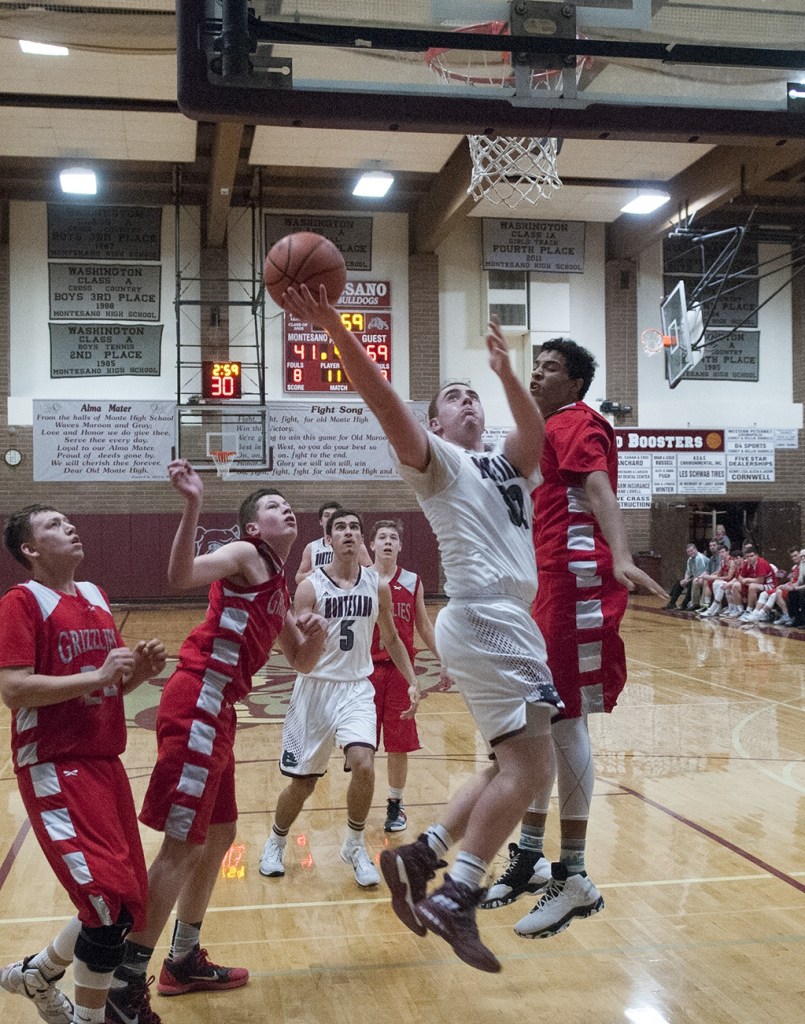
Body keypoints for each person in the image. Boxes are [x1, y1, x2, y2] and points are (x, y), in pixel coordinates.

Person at [282, 283, 562, 974]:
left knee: (507, 764)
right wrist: (333, 328)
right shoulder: (438, 463)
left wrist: (502, 374)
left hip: (505, 621)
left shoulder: (506, 469)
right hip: (486, 614)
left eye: (473, 397)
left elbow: (534, 437)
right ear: (435, 422)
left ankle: (423, 853)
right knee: (534, 765)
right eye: (453, 398)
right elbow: (381, 399)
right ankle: (457, 891)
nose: (467, 402)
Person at [105, 463, 327, 1024]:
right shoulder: (242, 557)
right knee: (182, 844)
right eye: (273, 505)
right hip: (199, 700)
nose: (285, 508)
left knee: (222, 831)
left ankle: (183, 958)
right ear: (254, 528)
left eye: (286, 503)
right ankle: (125, 985)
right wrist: (192, 505)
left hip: (222, 709)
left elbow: (299, 660)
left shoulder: (275, 581)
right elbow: (179, 574)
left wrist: (317, 638)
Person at [480, 339, 667, 940]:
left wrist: (622, 556)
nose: (538, 372)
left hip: (577, 577)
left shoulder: (580, 421)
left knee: (565, 722)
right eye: (535, 363)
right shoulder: (543, 428)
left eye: (552, 367)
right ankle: (533, 855)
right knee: (539, 719)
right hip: (546, 581)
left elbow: (598, 491)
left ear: (576, 383)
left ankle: (576, 876)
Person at [0, 504, 166, 1024]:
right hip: (55, 764)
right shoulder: (21, 602)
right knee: (105, 910)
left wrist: (137, 672)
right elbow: (13, 688)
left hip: (105, 762)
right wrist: (97, 677)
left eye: (69, 520)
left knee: (122, 902)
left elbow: (108, 688)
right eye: (53, 525)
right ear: (30, 549)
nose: (70, 526)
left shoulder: (94, 595)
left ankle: (40, 973)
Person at [258, 509, 419, 885]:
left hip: (355, 688)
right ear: (327, 541)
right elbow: (295, 650)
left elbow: (392, 638)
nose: (348, 533)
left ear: (362, 541)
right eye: (340, 528)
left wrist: (412, 679)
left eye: (354, 529)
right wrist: (309, 631)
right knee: (303, 784)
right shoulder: (310, 587)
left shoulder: (376, 585)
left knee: (364, 764)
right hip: (315, 689)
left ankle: (355, 843)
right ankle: (275, 840)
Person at [369, 518, 449, 832]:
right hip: (366, 670)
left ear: (400, 546)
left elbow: (424, 626)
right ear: (372, 544)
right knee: (362, 744)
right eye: (381, 537)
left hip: (401, 672)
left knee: (398, 744)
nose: (387, 542)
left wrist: (444, 659)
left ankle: (395, 804)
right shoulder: (362, 580)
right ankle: (361, 802)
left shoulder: (413, 580)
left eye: (393, 538)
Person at [295, 500, 371, 584]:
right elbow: (298, 578)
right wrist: (320, 573)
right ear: (320, 521)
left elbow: (370, 572)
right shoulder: (311, 547)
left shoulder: (355, 545)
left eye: (334, 515)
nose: (330, 518)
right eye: (327, 515)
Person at [722, 545, 773, 619]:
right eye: (748, 556)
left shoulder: (761, 563)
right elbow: (739, 577)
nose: (750, 558)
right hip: (755, 583)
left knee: (752, 586)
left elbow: (760, 581)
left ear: (757, 555)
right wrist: (745, 581)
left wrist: (747, 580)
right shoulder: (747, 563)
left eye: (752, 556)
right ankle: (740, 610)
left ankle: (749, 611)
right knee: (735, 586)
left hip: (769, 584)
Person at [663, 543, 707, 610]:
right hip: (695, 578)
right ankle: (672, 603)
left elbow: (698, 575)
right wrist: (685, 580)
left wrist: (688, 581)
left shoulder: (700, 558)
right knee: (679, 582)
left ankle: (684, 604)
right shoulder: (689, 560)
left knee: (691, 583)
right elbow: (688, 572)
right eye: (688, 552)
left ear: (695, 549)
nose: (690, 553)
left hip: (703, 578)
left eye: (691, 551)